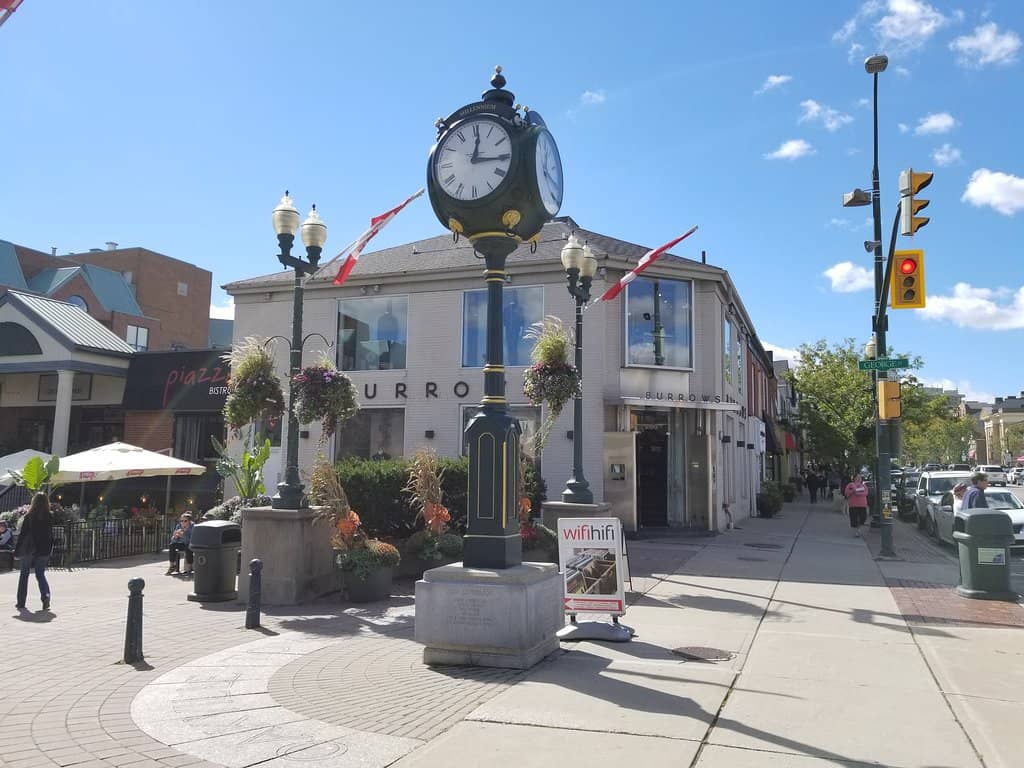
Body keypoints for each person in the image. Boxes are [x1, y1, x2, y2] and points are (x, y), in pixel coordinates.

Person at [14, 493, 54, 611]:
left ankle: (21, 602)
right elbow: (49, 534)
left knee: (24, 575)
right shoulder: (50, 516)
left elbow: (23, 535)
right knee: (40, 574)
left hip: (30, 549)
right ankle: (45, 595)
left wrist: (17, 551)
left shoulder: (29, 516)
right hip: (44, 549)